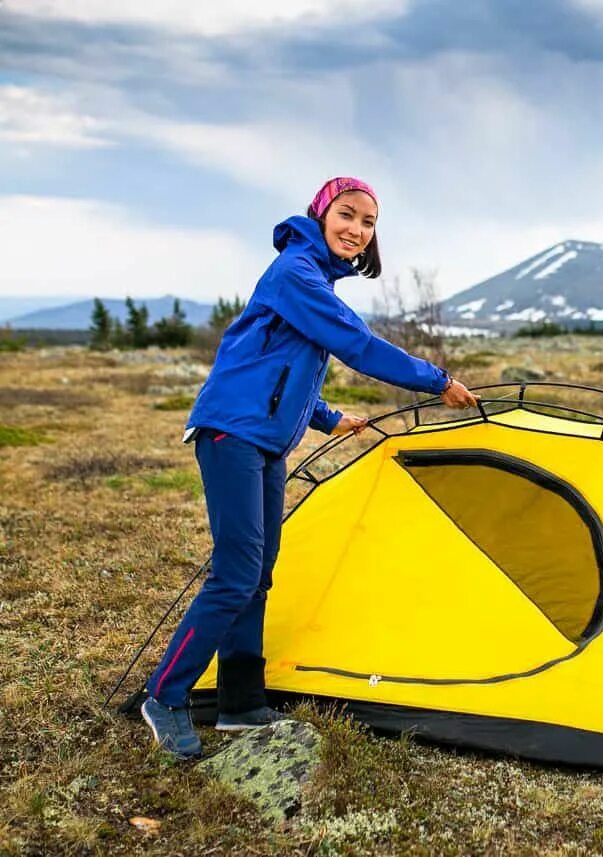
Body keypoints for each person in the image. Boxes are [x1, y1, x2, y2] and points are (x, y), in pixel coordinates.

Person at [140, 176, 477, 759]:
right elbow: (359, 345)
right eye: (348, 215)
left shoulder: (312, 278)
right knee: (235, 574)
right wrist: (437, 380)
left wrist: (327, 417)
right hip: (231, 435)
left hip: (266, 442)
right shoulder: (296, 271)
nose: (358, 230)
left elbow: (273, 363)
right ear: (320, 215)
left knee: (258, 573)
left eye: (369, 223)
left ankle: (240, 702)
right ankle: (165, 696)